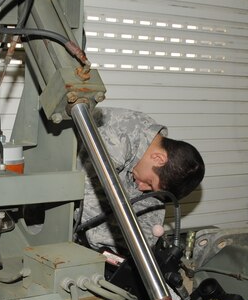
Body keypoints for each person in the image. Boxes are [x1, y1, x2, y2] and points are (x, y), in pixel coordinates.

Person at [76, 107, 204, 255]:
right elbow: (88, 215)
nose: (143, 188)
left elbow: (150, 203)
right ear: (158, 158)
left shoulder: (151, 142)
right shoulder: (117, 144)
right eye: (149, 182)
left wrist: (148, 243)